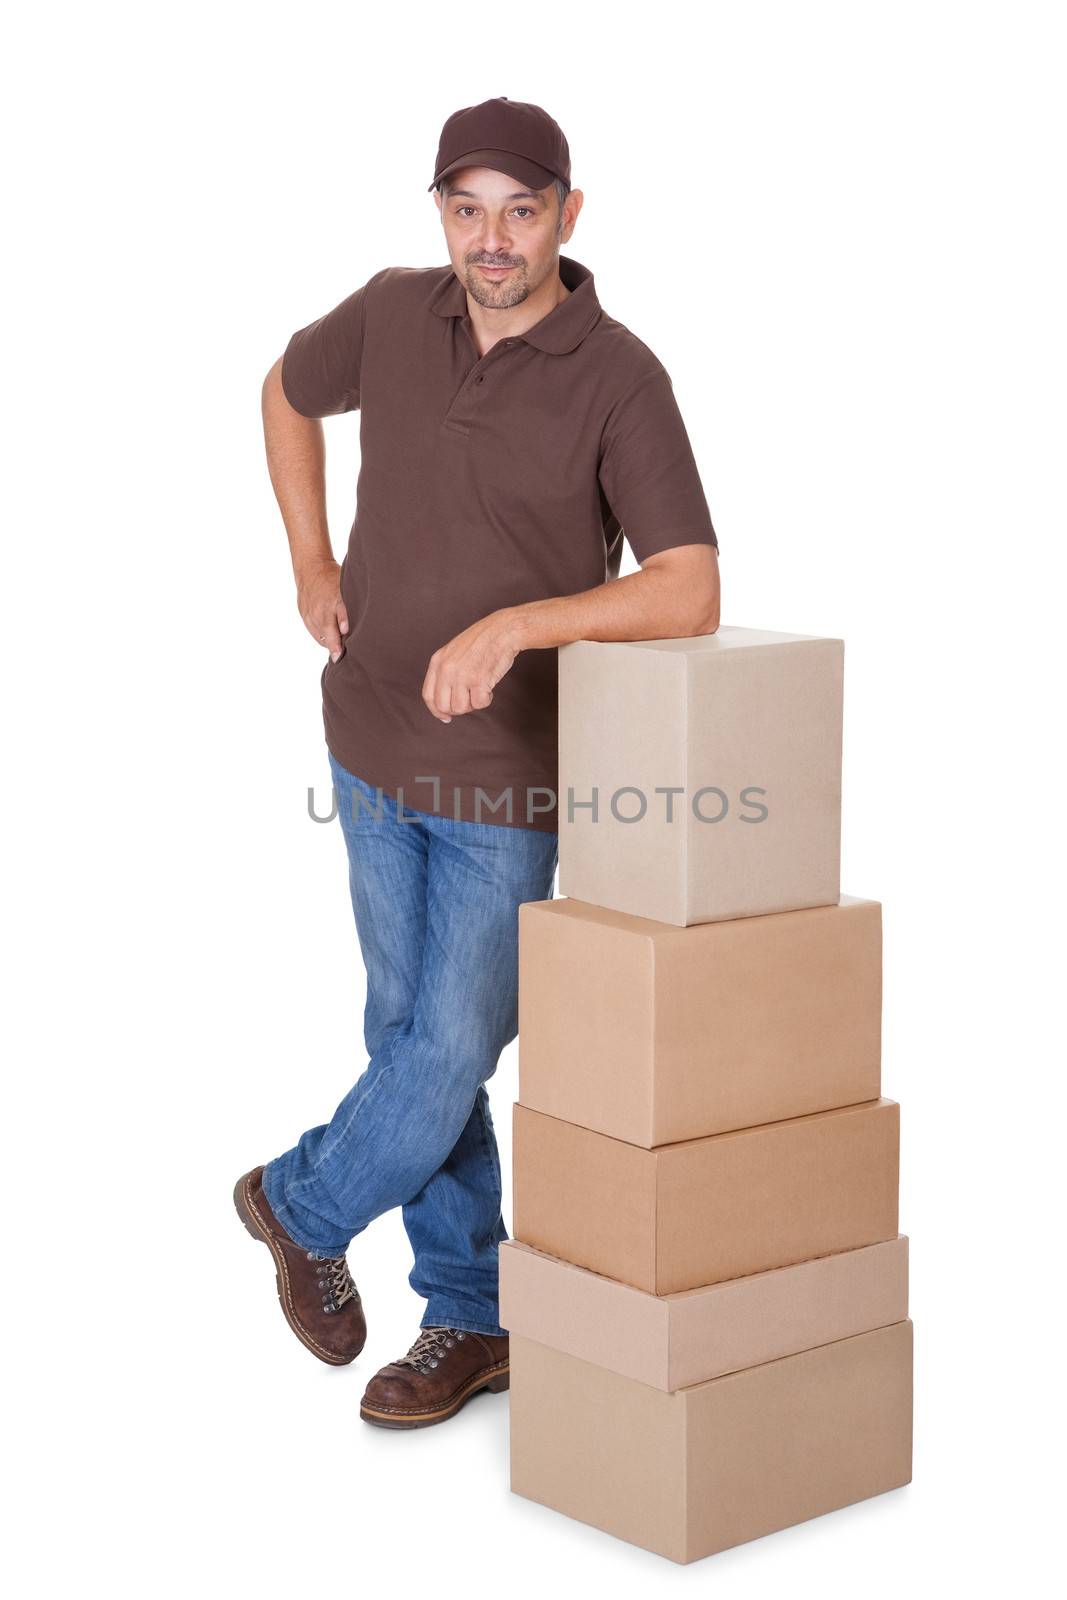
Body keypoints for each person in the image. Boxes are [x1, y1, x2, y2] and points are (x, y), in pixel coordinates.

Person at [235, 96, 721, 1430]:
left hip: (505, 775)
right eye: (467, 209)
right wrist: (311, 562)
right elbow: (285, 391)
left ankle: (298, 1199)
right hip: (368, 735)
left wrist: (521, 624)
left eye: (521, 209)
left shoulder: (621, 375)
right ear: (440, 212)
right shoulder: (395, 313)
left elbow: (687, 587)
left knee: (448, 1045)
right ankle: (469, 1317)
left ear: (569, 213)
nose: (492, 240)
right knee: (408, 1039)